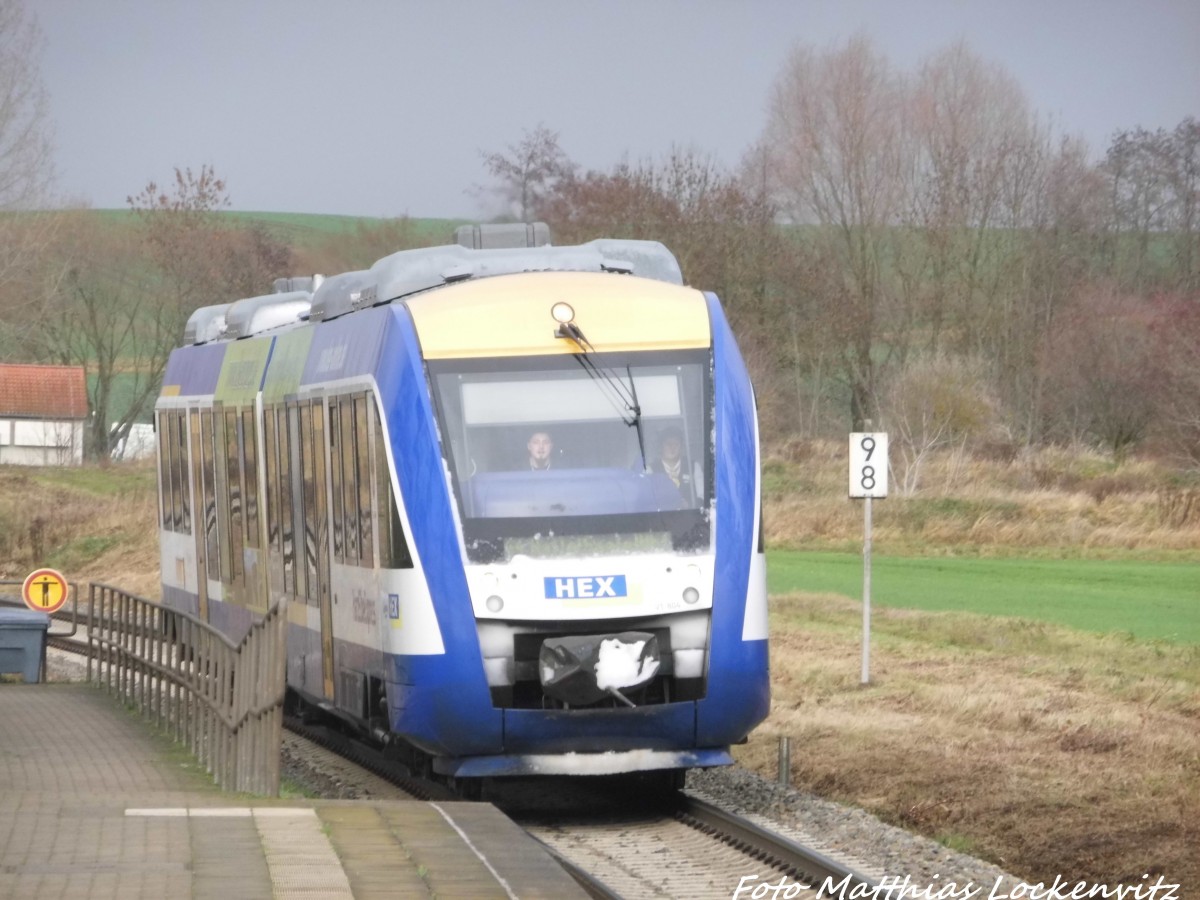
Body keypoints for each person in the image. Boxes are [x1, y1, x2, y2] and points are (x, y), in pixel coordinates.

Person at [650, 427, 691, 499]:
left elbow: (701, 496)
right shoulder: (650, 470)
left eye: (676, 444)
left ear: (681, 446)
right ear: (661, 446)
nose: (672, 448)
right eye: (668, 444)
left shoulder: (693, 466)